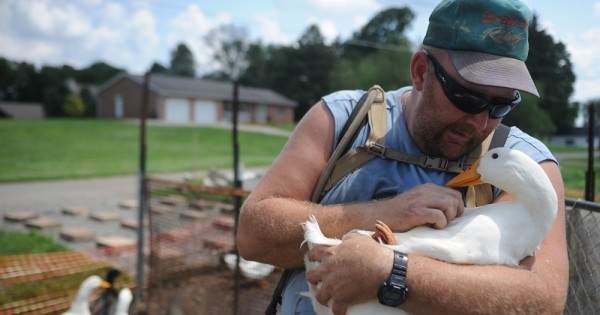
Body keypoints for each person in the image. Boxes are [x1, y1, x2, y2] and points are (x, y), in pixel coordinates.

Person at [236, 0, 568, 314]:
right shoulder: (342, 121)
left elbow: (541, 299)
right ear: (421, 71)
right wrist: (383, 213)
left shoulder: (525, 161)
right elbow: (253, 235)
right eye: (466, 97)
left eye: (501, 105)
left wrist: (393, 272)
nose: (481, 121)